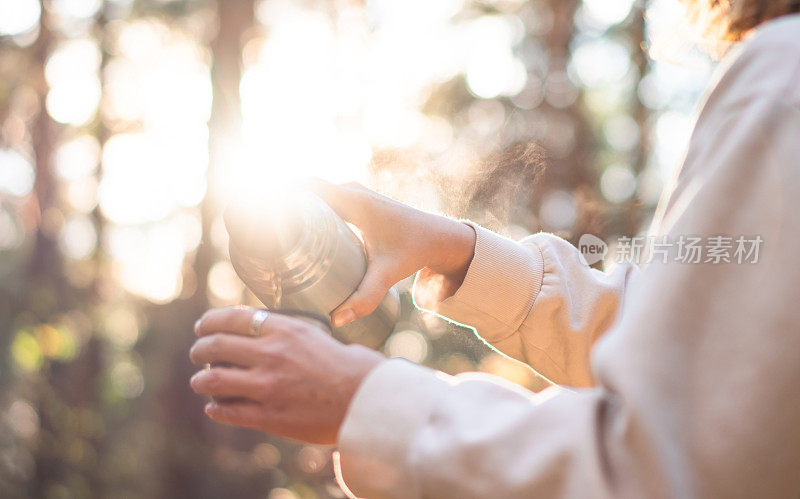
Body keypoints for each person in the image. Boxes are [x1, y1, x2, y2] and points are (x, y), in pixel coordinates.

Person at [188, 2, 800, 497]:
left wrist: (372, 403)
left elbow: (665, 467)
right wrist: (461, 252)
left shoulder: (780, 76)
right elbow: (692, 349)